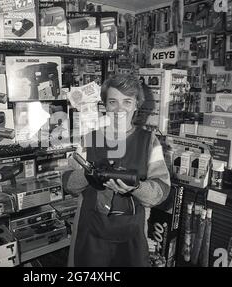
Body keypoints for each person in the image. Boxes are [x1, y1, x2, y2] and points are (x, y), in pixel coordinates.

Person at [63, 74, 171, 267]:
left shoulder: (149, 142)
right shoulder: (89, 139)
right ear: (105, 105)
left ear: (136, 105)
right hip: (89, 237)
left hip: (131, 239)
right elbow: (68, 183)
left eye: (127, 101)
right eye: (113, 102)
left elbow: (160, 192)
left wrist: (134, 187)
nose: (120, 109)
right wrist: (91, 174)